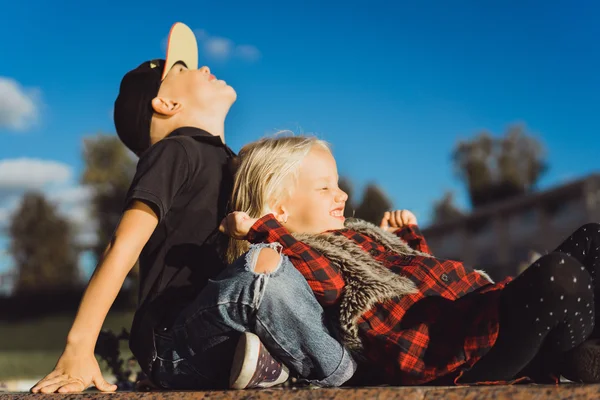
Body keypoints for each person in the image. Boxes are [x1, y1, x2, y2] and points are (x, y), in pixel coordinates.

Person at [30, 23, 355, 393]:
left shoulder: (234, 164)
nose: (203, 68)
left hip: (228, 328)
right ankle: (344, 372)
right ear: (167, 104)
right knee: (262, 271)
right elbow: (123, 244)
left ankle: (270, 362)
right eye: (182, 70)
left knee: (284, 264)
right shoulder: (175, 151)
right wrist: (79, 347)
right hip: (178, 343)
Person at [220, 134, 600, 386]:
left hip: (474, 316)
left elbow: (426, 282)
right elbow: (331, 283)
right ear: (279, 209)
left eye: (337, 184)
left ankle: (579, 356)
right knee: (559, 276)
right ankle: (569, 359)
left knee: (592, 237)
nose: (341, 195)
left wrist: (403, 240)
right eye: (324, 188)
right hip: (454, 356)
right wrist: (261, 229)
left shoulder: (357, 235)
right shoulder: (306, 253)